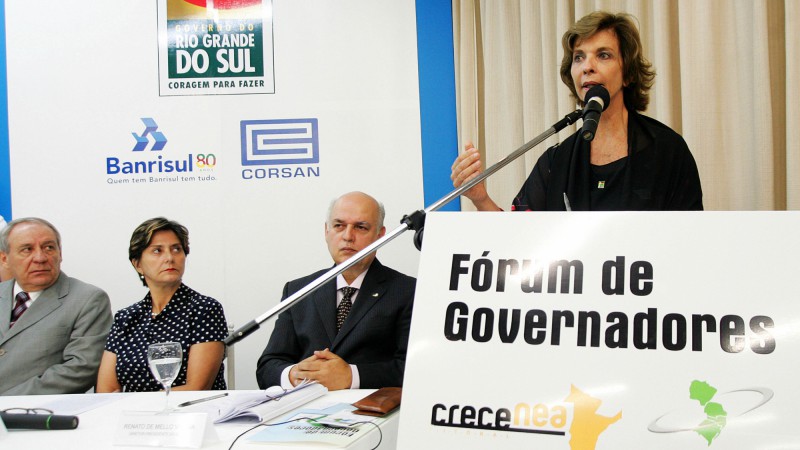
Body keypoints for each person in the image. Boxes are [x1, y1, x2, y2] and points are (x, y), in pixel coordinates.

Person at [451, 11, 703, 211]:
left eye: (603, 55)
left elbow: (691, 239)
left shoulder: (668, 150)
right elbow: (517, 240)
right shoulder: (556, 160)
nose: (587, 67)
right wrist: (480, 198)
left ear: (627, 73)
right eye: (579, 57)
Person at [256, 192, 415, 391]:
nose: (348, 236)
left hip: (370, 407)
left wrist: (352, 376)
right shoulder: (298, 290)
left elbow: (414, 368)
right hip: (306, 407)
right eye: (339, 225)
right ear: (326, 231)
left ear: (380, 235)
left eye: (360, 227)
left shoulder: (408, 290)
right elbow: (268, 366)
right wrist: (293, 374)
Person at [96, 217, 228, 392]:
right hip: (132, 410)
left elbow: (196, 388)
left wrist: (135, 402)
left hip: (190, 409)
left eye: (176, 249)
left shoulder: (204, 309)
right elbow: (105, 390)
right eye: (157, 251)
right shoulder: (125, 318)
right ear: (137, 264)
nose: (169, 258)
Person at [0, 217, 112, 395]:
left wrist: (8, 400)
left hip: (37, 409)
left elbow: (80, 369)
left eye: (49, 248)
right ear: (4, 259)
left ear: (60, 253)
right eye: (27, 249)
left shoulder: (88, 299)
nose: (40, 258)